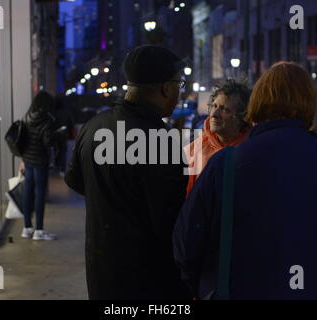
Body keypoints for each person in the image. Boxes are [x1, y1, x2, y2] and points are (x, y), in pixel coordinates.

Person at [173, 62, 317, 300]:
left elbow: (187, 243)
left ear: (256, 103)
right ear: (309, 104)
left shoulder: (227, 164)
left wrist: (207, 288)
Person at [65, 45, 190, 300]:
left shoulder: (93, 126)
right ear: (166, 88)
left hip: (101, 270)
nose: (179, 91)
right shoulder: (160, 141)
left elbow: (76, 181)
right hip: (147, 279)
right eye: (179, 83)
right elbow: (169, 222)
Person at [185, 79, 251, 195]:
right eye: (214, 106)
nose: (215, 114)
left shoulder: (252, 152)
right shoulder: (192, 151)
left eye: (224, 109)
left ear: (242, 117)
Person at [20, 91, 58, 241]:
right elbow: (48, 142)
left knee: (28, 193)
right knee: (39, 194)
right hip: (40, 161)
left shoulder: (28, 116)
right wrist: (57, 136)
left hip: (28, 159)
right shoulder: (46, 119)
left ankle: (27, 227)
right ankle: (39, 230)